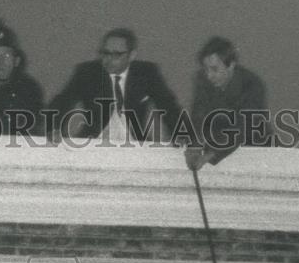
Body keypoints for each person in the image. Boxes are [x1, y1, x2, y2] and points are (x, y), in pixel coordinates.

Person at [48, 27, 181, 143]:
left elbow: (168, 105)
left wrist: (181, 135)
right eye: (105, 53)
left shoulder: (146, 73)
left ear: (132, 55)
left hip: (135, 144)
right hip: (95, 143)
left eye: (117, 54)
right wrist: (53, 128)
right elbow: (62, 101)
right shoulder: (87, 73)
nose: (109, 59)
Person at [186, 36, 271, 170]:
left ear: (231, 65)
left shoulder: (252, 84)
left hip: (255, 153)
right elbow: (198, 116)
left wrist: (209, 155)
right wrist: (194, 145)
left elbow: (242, 128)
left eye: (214, 69)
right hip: (217, 148)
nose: (209, 75)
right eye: (206, 69)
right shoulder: (202, 80)